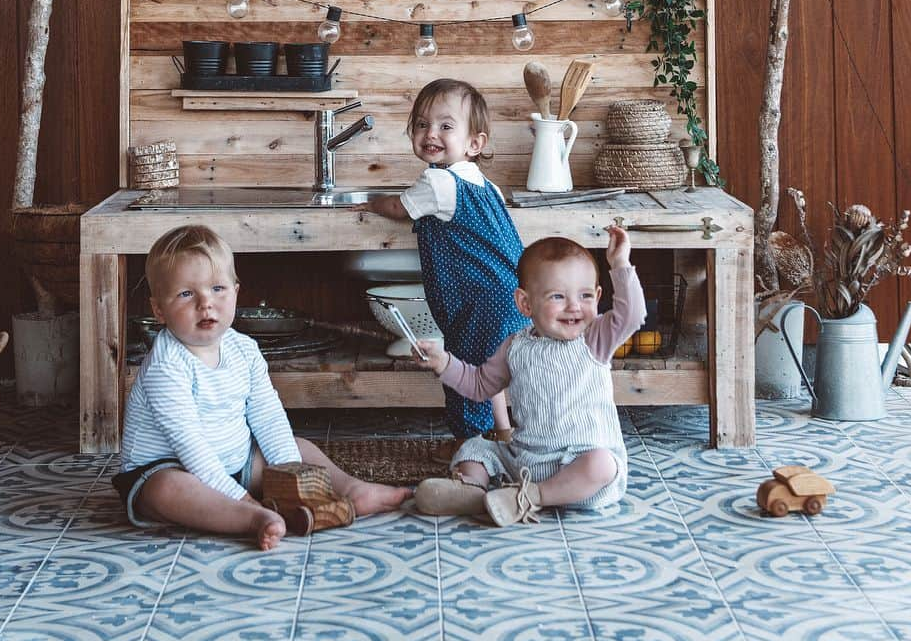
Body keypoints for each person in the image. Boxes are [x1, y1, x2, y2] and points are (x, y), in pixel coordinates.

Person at [112, 225, 410, 550]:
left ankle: (350, 488)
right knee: (168, 490)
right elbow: (191, 448)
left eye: (217, 289)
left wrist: (291, 478)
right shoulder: (166, 367)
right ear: (159, 310)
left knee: (298, 446)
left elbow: (267, 416)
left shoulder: (244, 349)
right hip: (168, 469)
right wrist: (243, 498)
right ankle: (250, 517)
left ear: (236, 293)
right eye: (187, 294)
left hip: (235, 462)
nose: (205, 304)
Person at [412, 225, 645, 527]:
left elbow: (632, 315)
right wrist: (444, 363)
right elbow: (479, 385)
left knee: (602, 463)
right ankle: (471, 490)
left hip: (581, 468)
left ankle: (531, 497)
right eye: (558, 296)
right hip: (526, 462)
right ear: (525, 303)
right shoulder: (515, 347)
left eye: (585, 295)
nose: (574, 306)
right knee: (475, 447)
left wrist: (620, 263)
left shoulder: (594, 338)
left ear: (598, 296)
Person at [369, 78, 525, 441]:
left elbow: (399, 207)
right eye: (422, 124)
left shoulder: (439, 183)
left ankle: (471, 450)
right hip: (509, 293)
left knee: (466, 373)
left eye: (445, 125)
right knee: (491, 370)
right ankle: (502, 434)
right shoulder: (487, 186)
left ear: (475, 143)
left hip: (477, 301)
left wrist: (373, 203)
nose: (430, 133)